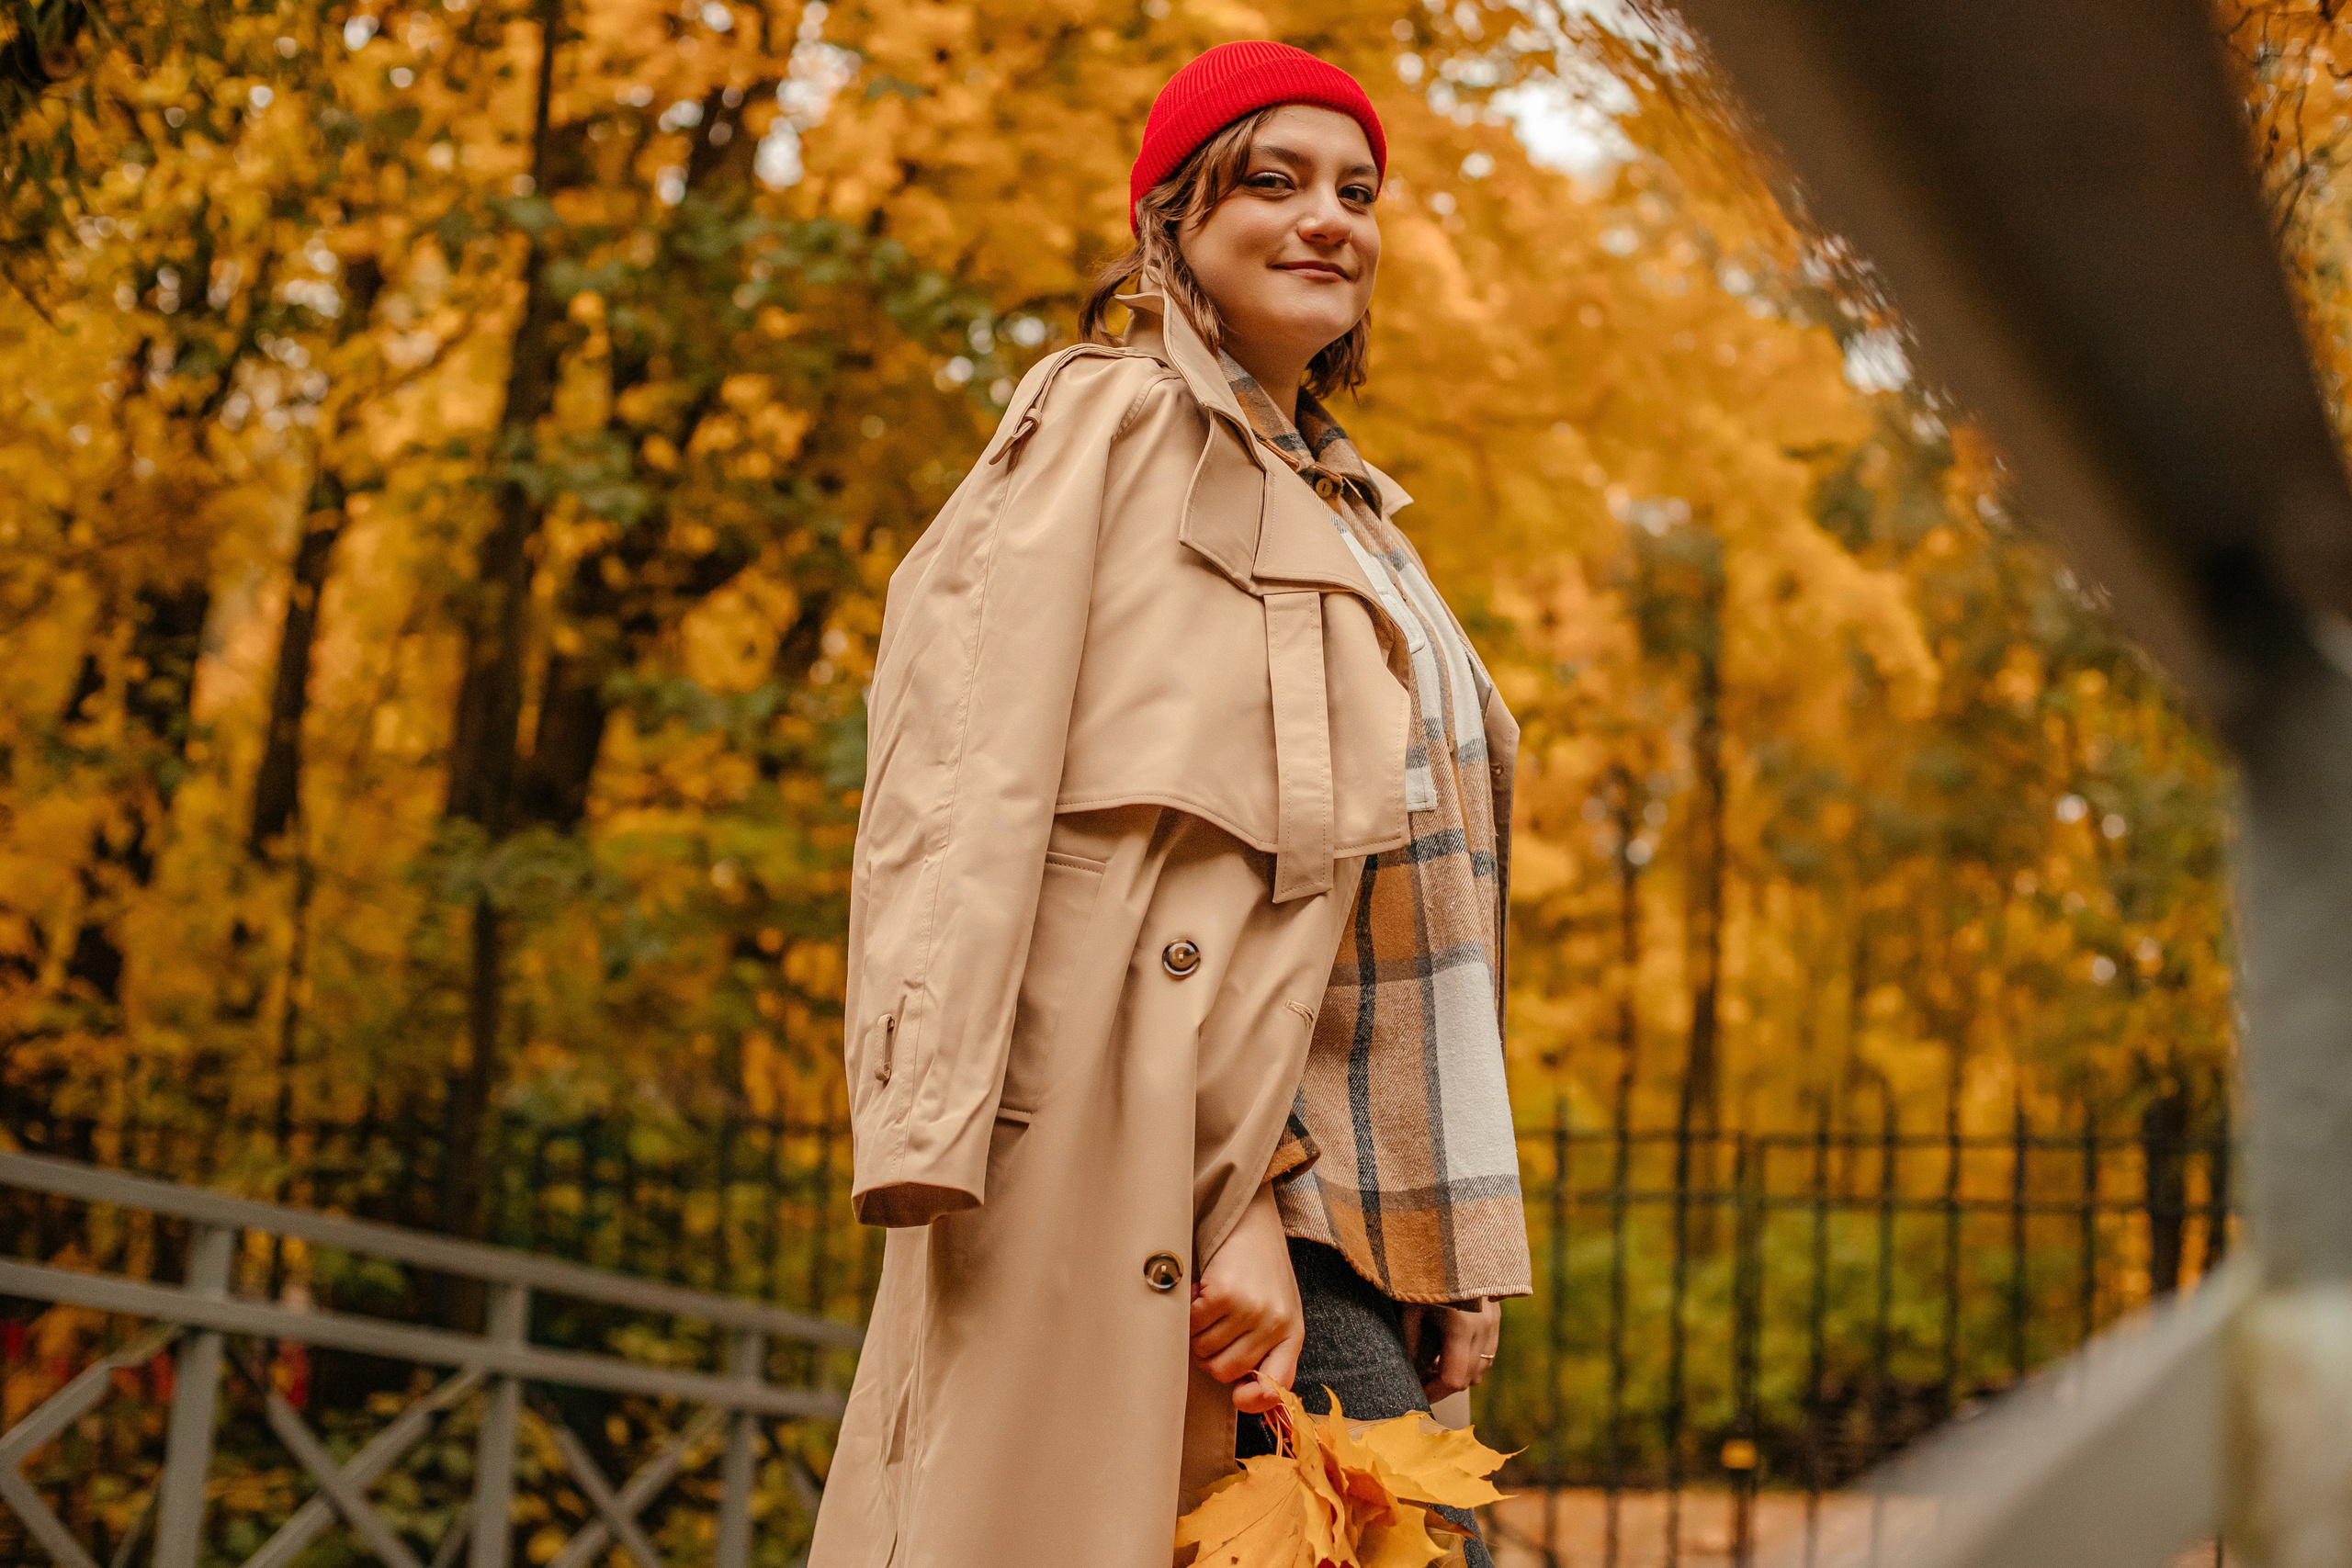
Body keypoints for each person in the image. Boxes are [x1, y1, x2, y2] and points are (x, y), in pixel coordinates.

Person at [808, 40, 1528, 1568]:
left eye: (1357, 190)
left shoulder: (1360, 522)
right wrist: (1227, 1199)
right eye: (1271, 180)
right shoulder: (1115, 426)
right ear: (1170, 223)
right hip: (1180, 1199)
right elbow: (1001, 815)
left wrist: (1446, 1251)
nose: (1327, 216)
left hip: (1352, 1236)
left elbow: (1396, 919)